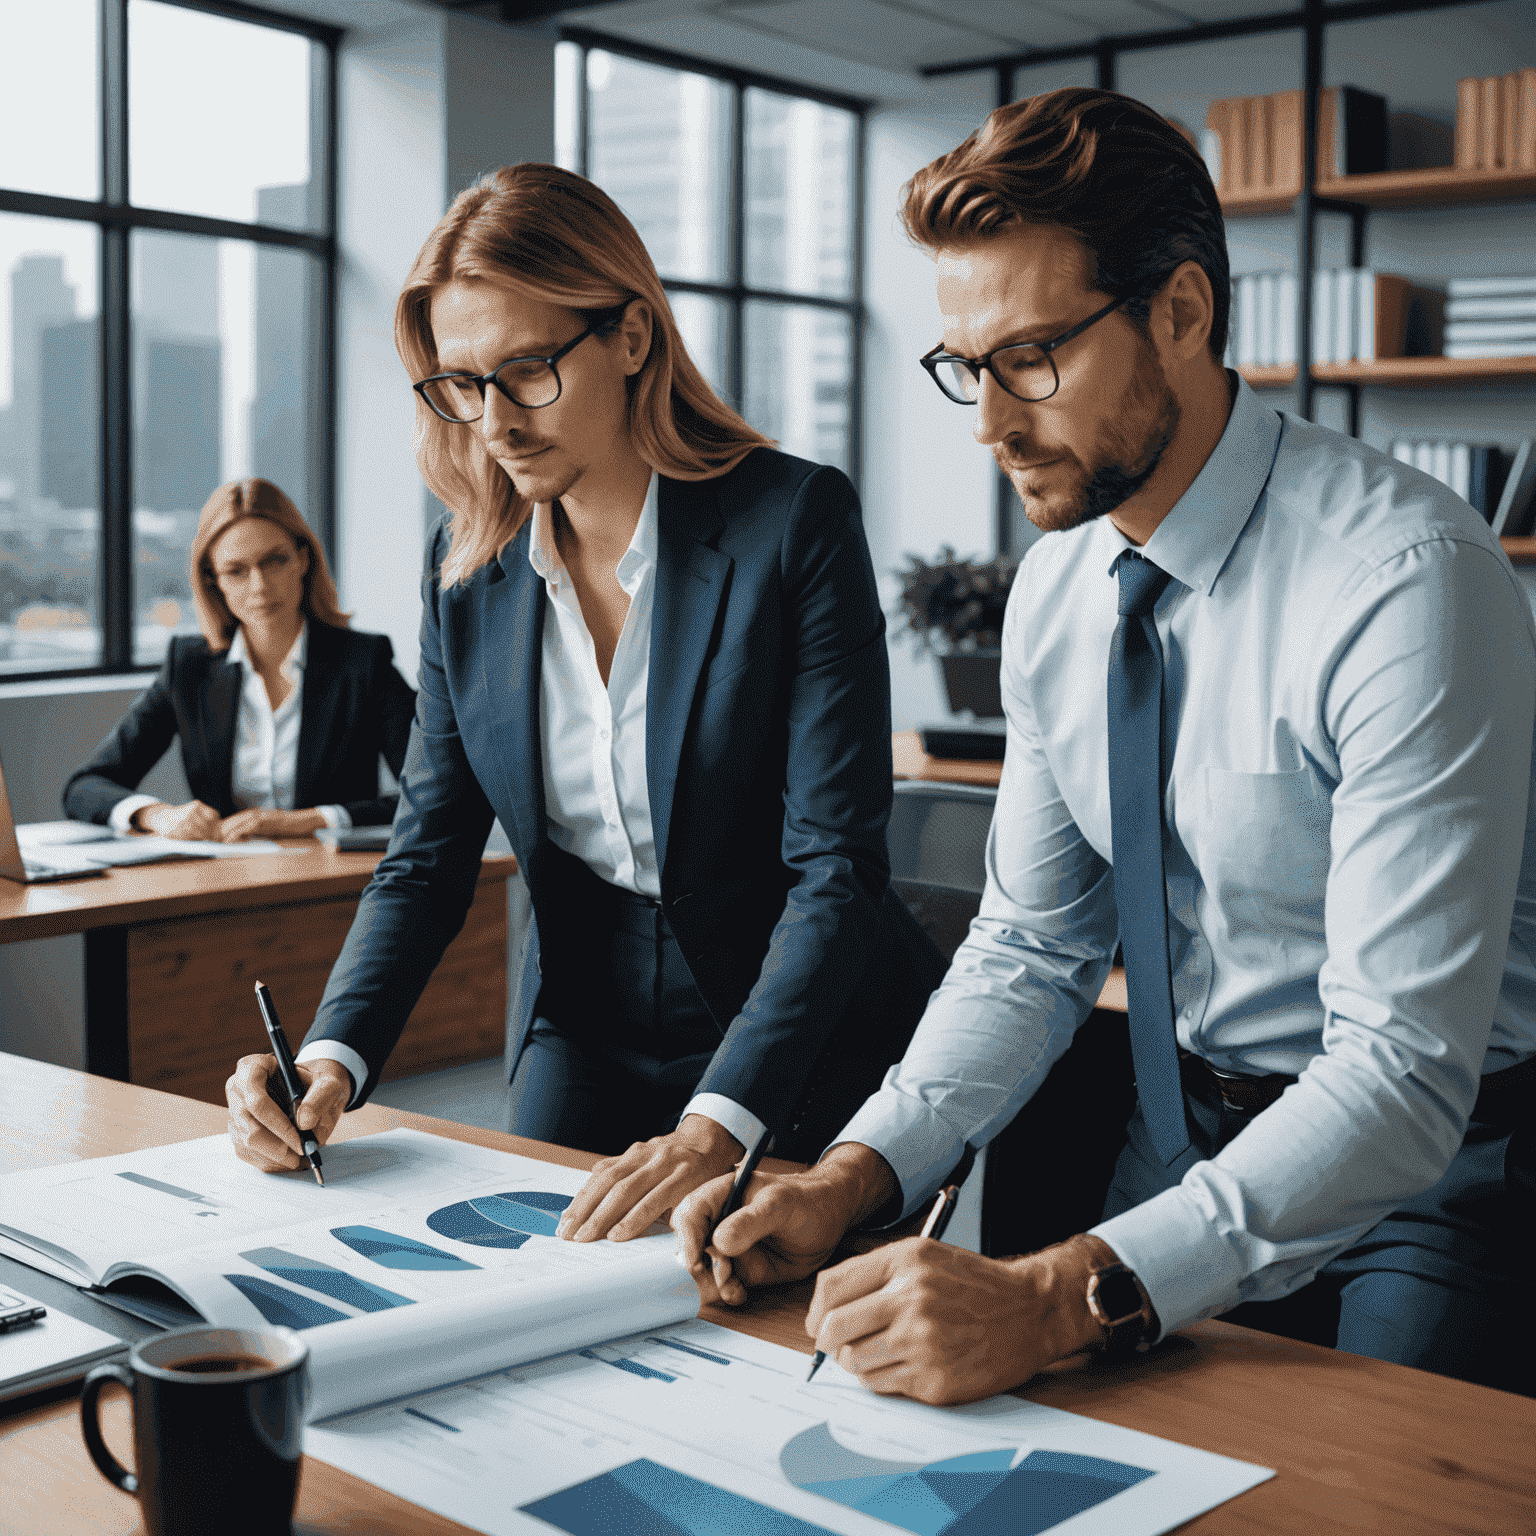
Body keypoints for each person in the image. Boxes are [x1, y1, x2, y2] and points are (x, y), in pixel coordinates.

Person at [675, 87, 1536, 1404]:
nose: (988, 424)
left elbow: (1403, 1068)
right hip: (1177, 1136)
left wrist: (1052, 1294)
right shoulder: (1057, 592)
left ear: (1181, 313)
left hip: (1436, 1172)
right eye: (969, 366)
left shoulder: (1409, 580)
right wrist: (856, 1174)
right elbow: (1032, 946)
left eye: (1032, 357)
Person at [224, 164, 946, 1241]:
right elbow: (426, 855)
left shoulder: (790, 522)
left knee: (773, 1317)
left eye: (528, 371)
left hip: (792, 1017)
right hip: (584, 1014)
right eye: (461, 384)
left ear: (633, 339)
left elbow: (835, 868)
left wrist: (719, 1125)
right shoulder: (466, 568)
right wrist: (325, 1058)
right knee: (536, 1292)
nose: (494, 422)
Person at [65, 478, 415, 843]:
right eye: (236, 571)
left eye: (275, 561)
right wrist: (157, 815)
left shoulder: (364, 662)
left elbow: (429, 792)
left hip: (332, 880)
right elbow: (86, 786)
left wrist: (306, 821)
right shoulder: (188, 666)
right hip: (226, 878)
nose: (260, 586)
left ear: (302, 560)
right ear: (214, 581)